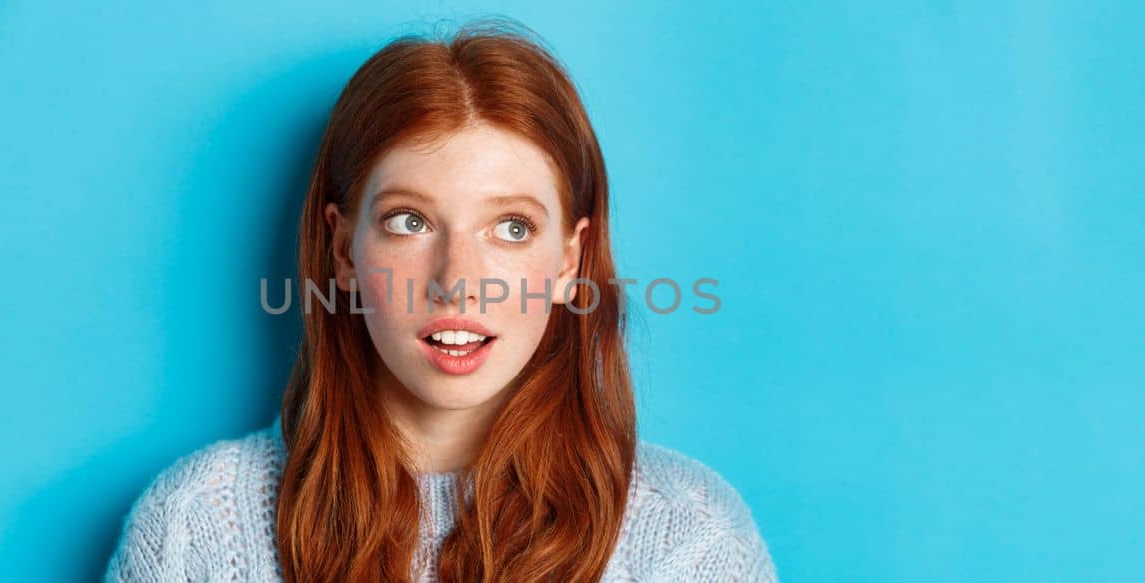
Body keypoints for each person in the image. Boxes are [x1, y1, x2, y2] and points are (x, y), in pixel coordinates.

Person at [105, 19, 777, 582]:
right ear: (342, 251)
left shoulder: (688, 542)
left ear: (569, 259)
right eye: (410, 221)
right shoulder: (193, 528)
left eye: (511, 228)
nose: (458, 280)